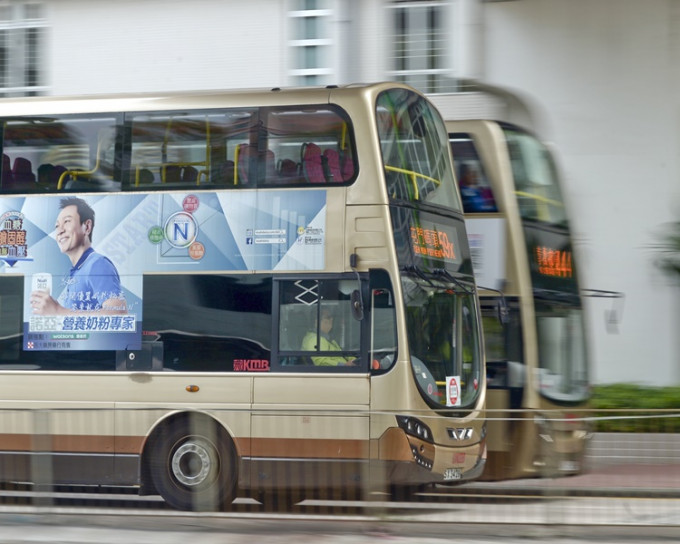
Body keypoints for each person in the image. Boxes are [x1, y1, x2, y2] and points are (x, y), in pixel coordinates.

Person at [29, 196, 127, 316]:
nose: (60, 231)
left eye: (67, 221)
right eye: (57, 226)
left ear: (87, 227)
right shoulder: (78, 270)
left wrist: (58, 311)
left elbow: (118, 314)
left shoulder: (97, 264)